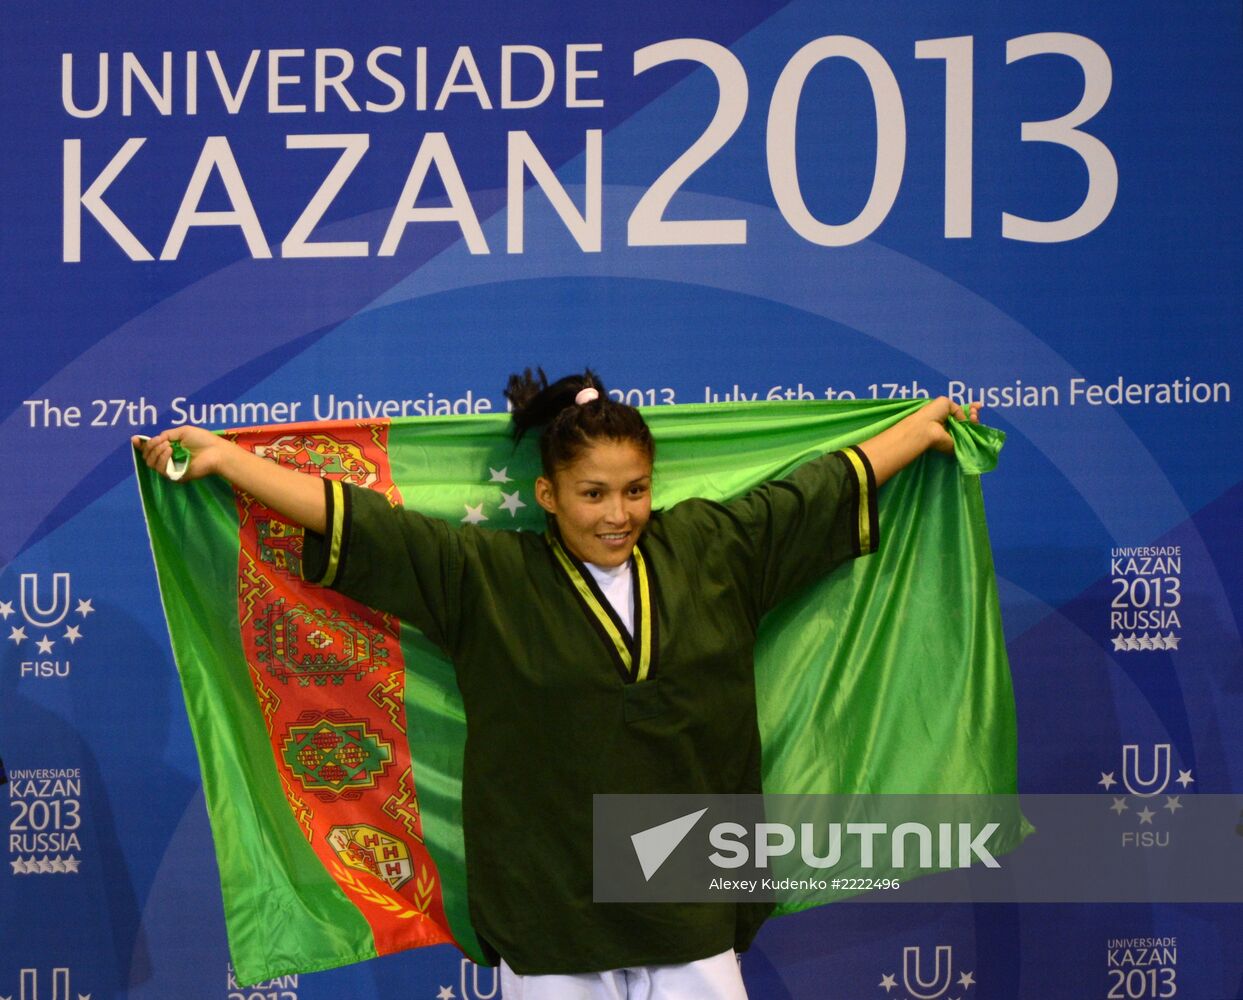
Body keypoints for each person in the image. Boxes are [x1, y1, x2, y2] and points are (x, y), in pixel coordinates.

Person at [135, 369, 980, 999]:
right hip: (547, 906)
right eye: (592, 494)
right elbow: (361, 525)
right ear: (546, 494)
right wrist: (223, 462)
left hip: (687, 896)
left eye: (636, 490)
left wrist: (926, 428)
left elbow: (826, 489)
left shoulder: (715, 549)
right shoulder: (484, 577)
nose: (618, 514)